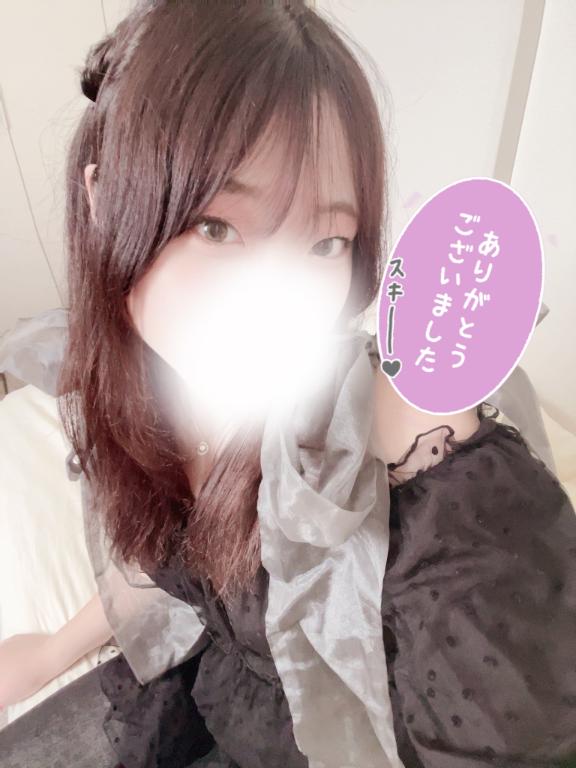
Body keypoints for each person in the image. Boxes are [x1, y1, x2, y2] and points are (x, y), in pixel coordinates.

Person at [1, 1, 576, 767]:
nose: (277, 297)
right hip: (222, 700)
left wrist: (428, 439)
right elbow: (165, 557)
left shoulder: (414, 466)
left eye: (324, 241)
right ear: (105, 203)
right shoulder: (145, 373)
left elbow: (512, 707)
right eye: (217, 227)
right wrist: (50, 650)